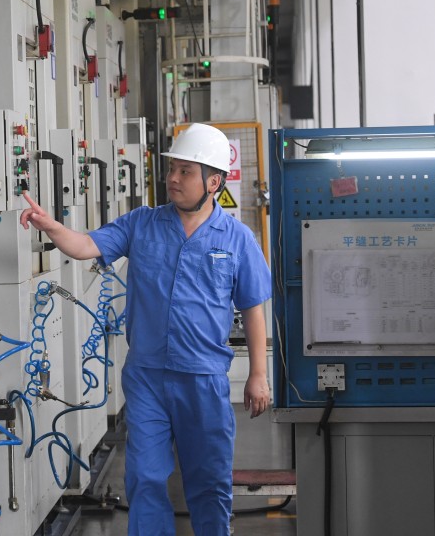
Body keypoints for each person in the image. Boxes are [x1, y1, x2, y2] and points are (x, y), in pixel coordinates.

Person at [19, 123, 271, 536]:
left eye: (185, 171)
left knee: (209, 483)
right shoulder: (143, 223)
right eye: (172, 168)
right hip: (147, 377)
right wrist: (52, 227)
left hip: (203, 378)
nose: (172, 178)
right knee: (146, 478)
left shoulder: (237, 239)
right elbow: (86, 246)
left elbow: (253, 307)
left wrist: (258, 375)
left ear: (213, 181)